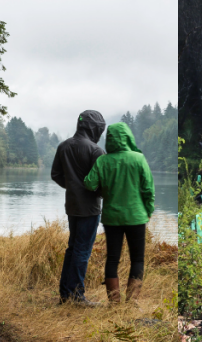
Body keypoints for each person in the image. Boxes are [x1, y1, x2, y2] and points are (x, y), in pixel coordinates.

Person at [83, 122, 155, 304]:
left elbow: (90, 184)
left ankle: (114, 303)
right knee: (137, 259)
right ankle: (131, 303)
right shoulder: (138, 159)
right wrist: (148, 210)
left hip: (111, 217)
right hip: (136, 216)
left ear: (110, 140)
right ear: (128, 137)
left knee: (112, 259)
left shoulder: (103, 161)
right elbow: (148, 189)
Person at [51, 110, 107, 306]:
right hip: (89, 208)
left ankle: (65, 294)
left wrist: (72, 187)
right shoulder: (96, 151)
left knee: (73, 248)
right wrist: (98, 193)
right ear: (94, 128)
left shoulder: (63, 146)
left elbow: (56, 175)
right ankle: (76, 296)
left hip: (72, 205)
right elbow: (103, 183)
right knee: (82, 251)